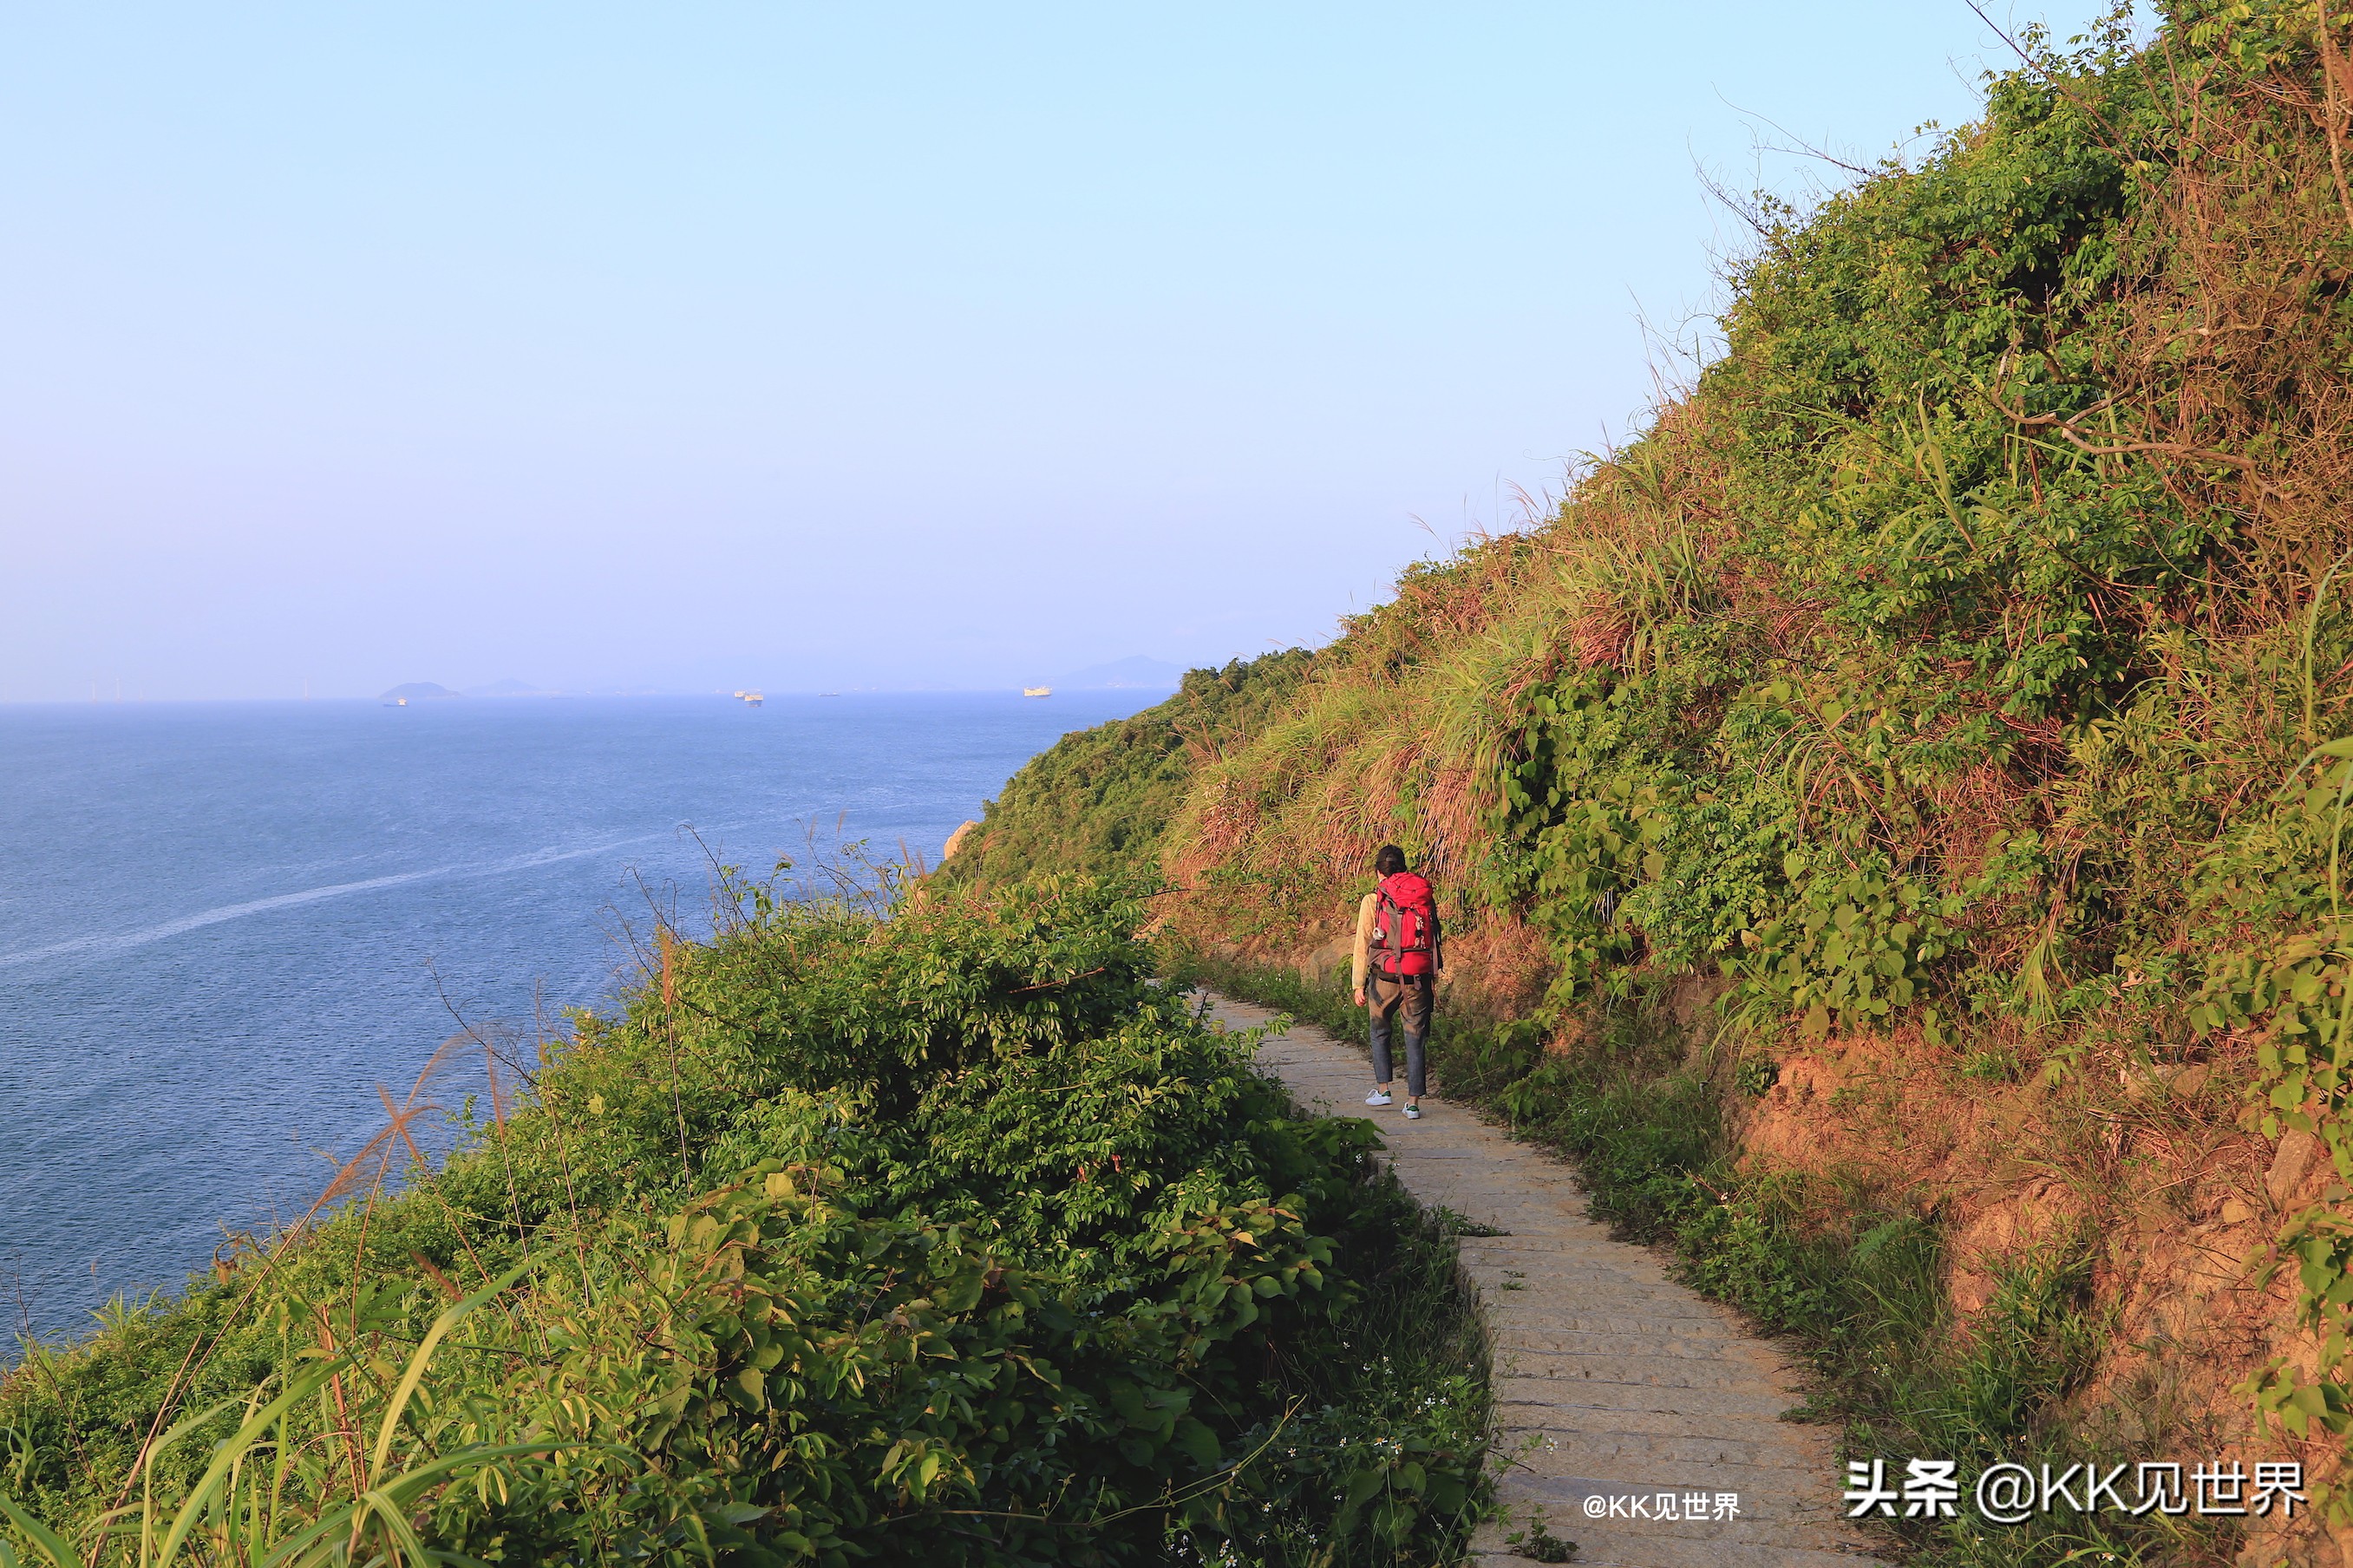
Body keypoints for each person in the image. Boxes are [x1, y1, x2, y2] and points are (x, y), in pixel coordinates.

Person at [1351, 844, 1441, 1120]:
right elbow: (1434, 937)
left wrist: (1358, 983)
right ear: (1403, 868)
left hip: (1385, 978)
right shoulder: (1422, 896)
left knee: (1379, 1032)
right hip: (1418, 977)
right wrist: (1433, 975)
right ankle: (1413, 1104)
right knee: (1415, 1037)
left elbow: (1363, 943)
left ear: (1379, 872)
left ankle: (1383, 1090)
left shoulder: (1373, 900)